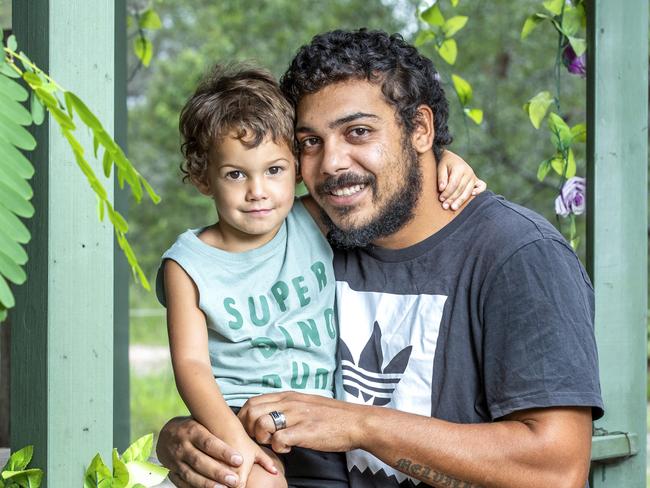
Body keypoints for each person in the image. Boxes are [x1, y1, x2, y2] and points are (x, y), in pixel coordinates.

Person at [156, 30, 603, 488]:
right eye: (310, 142)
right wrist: (181, 439)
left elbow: (558, 470)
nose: (331, 163)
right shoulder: (322, 237)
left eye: (358, 132)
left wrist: (359, 424)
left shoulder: (518, 256)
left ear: (420, 130)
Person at [155, 62, 485, 488]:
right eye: (236, 174)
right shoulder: (188, 262)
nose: (257, 190)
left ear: (294, 167)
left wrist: (444, 159)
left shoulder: (309, 219)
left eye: (273, 170)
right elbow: (192, 366)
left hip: (323, 421)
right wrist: (237, 446)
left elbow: (382, 184)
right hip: (240, 415)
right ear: (203, 177)